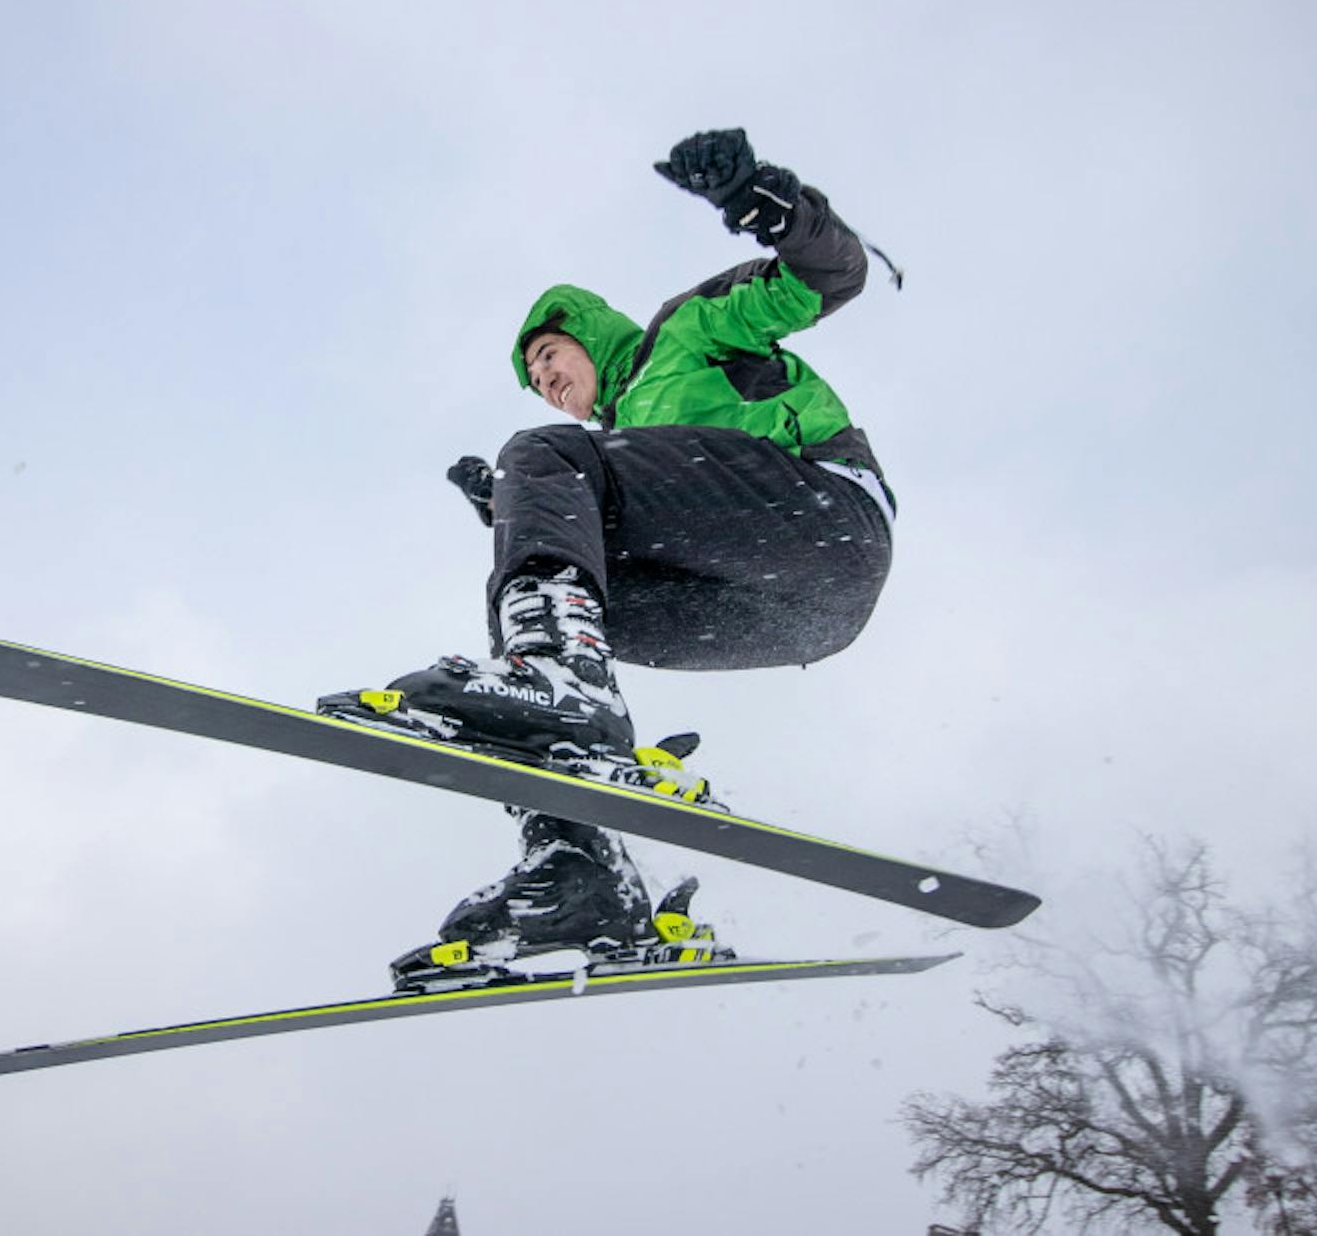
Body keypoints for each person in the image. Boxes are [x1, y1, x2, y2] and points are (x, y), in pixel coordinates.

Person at [319, 129, 898, 988]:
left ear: (587, 332)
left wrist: (759, 196)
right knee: (534, 604)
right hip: (787, 614)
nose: (548, 380)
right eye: (536, 376)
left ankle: (563, 688)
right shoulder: (610, 455)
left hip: (829, 523)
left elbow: (832, 274)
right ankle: (579, 871)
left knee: (541, 461)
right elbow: (638, 507)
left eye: (550, 355)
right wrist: (509, 512)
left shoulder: (688, 332)